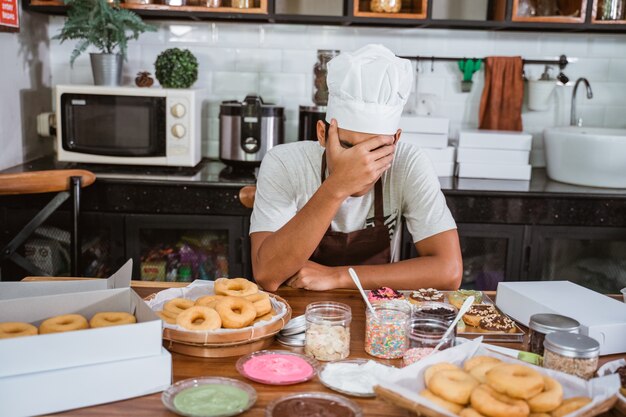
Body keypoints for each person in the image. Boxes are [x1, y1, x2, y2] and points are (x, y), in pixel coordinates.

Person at [250, 44, 462, 292]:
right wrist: (337, 186)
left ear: (395, 140)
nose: (359, 164)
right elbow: (267, 275)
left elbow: (449, 272)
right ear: (322, 133)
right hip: (298, 311)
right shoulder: (284, 163)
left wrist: (339, 277)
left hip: (379, 314)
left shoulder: (408, 162)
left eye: (375, 149)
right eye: (347, 146)